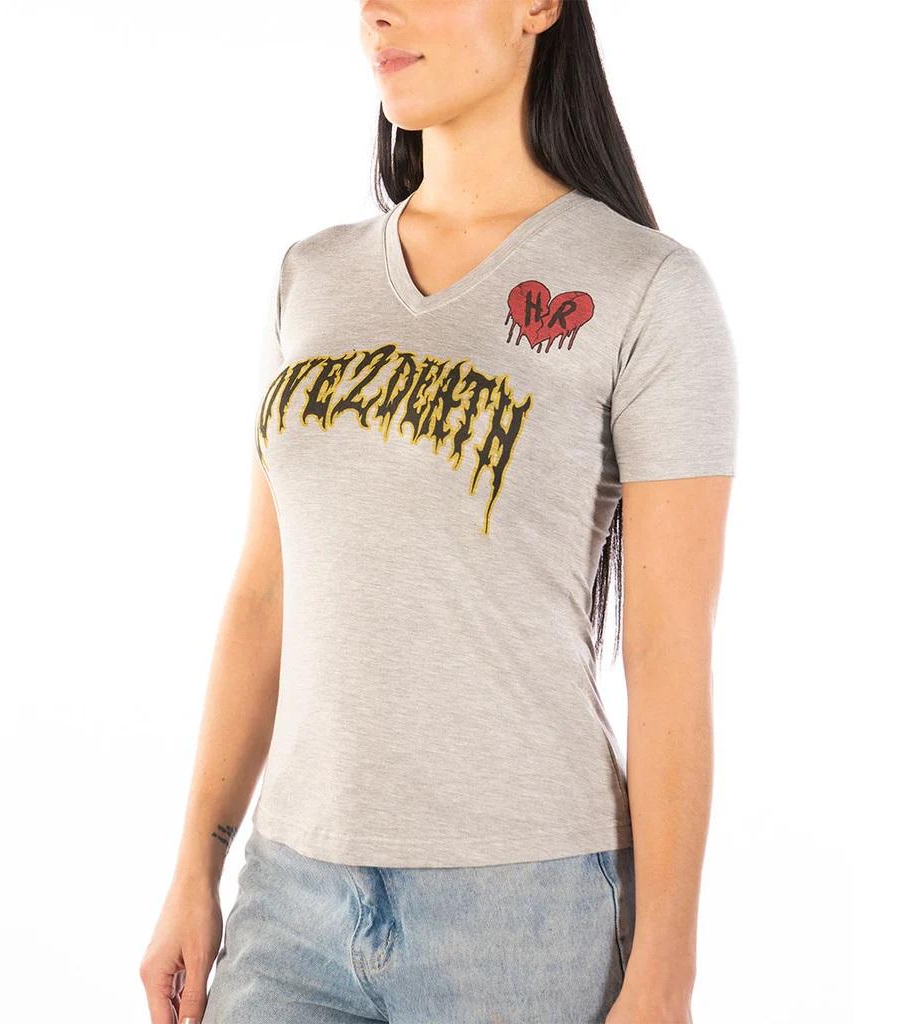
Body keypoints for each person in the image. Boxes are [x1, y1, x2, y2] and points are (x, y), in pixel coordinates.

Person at [139, 1, 738, 1021]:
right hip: (291, 905)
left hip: (526, 913)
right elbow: (263, 598)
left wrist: (665, 969)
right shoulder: (312, 276)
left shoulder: (646, 289)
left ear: (539, 8)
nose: (379, 11)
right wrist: (196, 866)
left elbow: (668, 650)